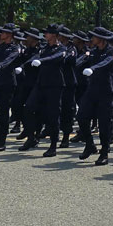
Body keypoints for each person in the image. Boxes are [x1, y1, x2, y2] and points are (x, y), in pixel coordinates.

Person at [76, 26, 113, 166]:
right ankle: (90, 145)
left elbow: (106, 62)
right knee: (81, 116)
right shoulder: (93, 51)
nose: (92, 39)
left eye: (94, 37)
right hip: (92, 89)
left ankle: (104, 152)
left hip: (106, 90)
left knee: (104, 123)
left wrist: (93, 68)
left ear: (101, 39)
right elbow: (83, 58)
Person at [21, 24, 67, 156]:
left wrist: (42, 61)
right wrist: (24, 65)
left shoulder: (62, 49)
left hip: (54, 85)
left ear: (55, 35)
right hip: (41, 83)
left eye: (48, 33)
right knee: (28, 108)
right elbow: (35, 57)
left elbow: (54, 58)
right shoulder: (43, 47)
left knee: (53, 115)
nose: (45, 34)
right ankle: (31, 137)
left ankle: (53, 146)